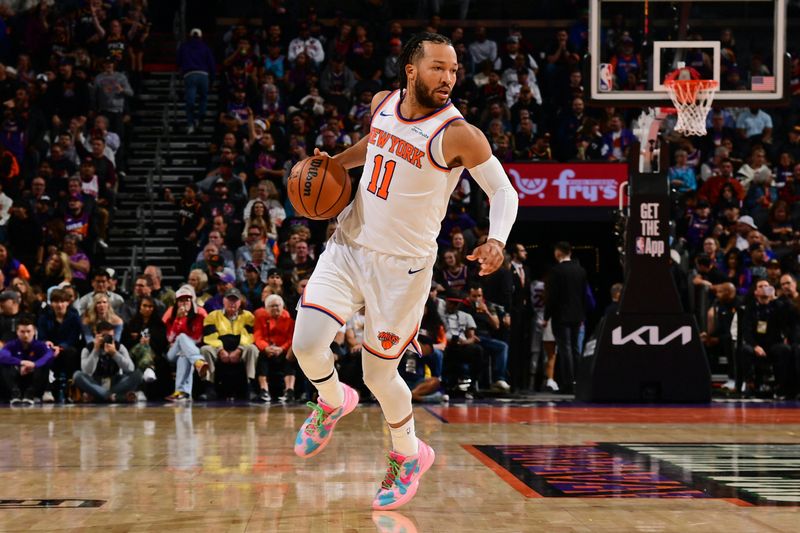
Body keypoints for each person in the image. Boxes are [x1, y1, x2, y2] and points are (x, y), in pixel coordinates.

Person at [289, 32, 517, 511]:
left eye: (453, 70)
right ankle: (331, 399)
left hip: (403, 269)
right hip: (350, 244)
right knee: (306, 344)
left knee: (379, 375)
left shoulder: (458, 133)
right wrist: (333, 163)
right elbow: (376, 144)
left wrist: (497, 239)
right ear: (411, 70)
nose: (449, 78)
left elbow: (503, 191)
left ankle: (408, 455)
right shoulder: (383, 102)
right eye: (438, 67)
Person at [543, 242, 587, 394]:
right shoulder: (580, 270)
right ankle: (579, 381)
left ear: (558, 252)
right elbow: (584, 295)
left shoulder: (556, 271)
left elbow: (552, 296)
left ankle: (568, 383)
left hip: (561, 316)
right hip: (577, 315)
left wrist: (546, 316)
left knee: (565, 349)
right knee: (576, 349)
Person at [200, 288, 259, 400]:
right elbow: (209, 336)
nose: (232, 303)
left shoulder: (248, 316)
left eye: (235, 300)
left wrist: (239, 350)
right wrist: (220, 350)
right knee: (205, 349)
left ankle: (250, 387)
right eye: (229, 300)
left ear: (240, 302)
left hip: (240, 348)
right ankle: (209, 387)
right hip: (219, 348)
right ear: (224, 301)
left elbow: (249, 336)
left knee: (252, 349)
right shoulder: (213, 315)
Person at [73, 320, 142, 403]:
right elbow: (87, 371)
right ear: (97, 335)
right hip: (95, 382)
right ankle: (115, 396)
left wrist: (115, 354)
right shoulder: (87, 349)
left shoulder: (119, 347)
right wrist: (95, 350)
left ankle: (99, 396)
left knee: (138, 374)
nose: (107, 339)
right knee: (77, 375)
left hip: (115, 382)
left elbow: (130, 369)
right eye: (104, 336)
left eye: (110, 336)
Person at [163, 285, 208, 402]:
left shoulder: (199, 316)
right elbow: (169, 339)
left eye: (187, 300)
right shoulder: (171, 318)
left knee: (184, 355)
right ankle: (198, 361)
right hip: (172, 353)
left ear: (192, 301)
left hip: (188, 351)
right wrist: (178, 320)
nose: (184, 303)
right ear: (176, 303)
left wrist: (185, 320)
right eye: (181, 300)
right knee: (181, 338)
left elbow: (198, 338)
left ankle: (183, 393)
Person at [0, 316, 54, 404]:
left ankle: (31, 394)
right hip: (16, 379)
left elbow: (49, 355)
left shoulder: (40, 345)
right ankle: (15, 393)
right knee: (3, 364)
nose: (25, 335)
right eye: (22, 332)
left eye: (28, 331)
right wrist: (20, 363)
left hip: (34, 380)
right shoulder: (11, 345)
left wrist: (34, 365)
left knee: (44, 364)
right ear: (17, 332)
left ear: (34, 332)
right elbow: (2, 356)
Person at [253, 294, 295, 402]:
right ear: (266, 308)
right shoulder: (260, 319)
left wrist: (281, 349)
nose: (275, 308)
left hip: (283, 350)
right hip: (268, 351)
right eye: (271, 306)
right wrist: (266, 348)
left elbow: (291, 339)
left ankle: (289, 390)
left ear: (282, 306)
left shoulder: (290, 321)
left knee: (290, 356)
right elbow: (258, 337)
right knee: (262, 357)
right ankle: (264, 390)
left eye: (277, 305)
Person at [177, 28, 216, 134]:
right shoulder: (205, 47)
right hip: (203, 75)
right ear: (201, 36)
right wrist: (212, 79)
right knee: (203, 99)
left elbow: (178, 61)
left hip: (190, 75)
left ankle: (190, 124)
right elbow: (212, 65)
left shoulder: (184, 47)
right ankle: (199, 120)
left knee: (190, 101)